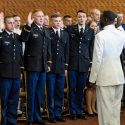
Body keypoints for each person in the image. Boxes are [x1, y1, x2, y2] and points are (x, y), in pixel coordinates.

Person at [89, 10, 125, 125]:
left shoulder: (100, 36)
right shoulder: (122, 34)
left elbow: (97, 59)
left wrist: (92, 79)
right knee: (115, 109)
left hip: (105, 77)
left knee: (105, 110)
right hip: (119, 76)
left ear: (104, 20)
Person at [22, 10, 51, 125]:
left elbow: (48, 49)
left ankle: (37, 117)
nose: (41, 18)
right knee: (31, 92)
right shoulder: (29, 28)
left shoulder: (45, 29)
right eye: (38, 16)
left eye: (42, 16)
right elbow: (23, 39)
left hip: (43, 66)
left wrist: (48, 63)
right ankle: (30, 118)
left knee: (39, 93)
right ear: (33, 18)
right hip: (32, 65)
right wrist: (28, 25)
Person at [67, 10, 95, 120]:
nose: (81, 19)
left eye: (83, 17)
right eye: (79, 17)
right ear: (77, 18)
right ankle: (73, 111)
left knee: (81, 89)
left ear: (86, 18)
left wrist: (91, 63)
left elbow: (91, 48)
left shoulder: (90, 31)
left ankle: (79, 110)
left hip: (84, 63)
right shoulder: (70, 29)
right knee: (72, 89)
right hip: (73, 63)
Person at [0, 16, 25, 125]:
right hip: (4, 73)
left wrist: (20, 71)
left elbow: (20, 56)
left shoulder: (17, 37)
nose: (12, 24)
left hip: (15, 73)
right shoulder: (1, 37)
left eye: (13, 23)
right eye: (9, 23)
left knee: (14, 100)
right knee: (4, 100)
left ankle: (12, 121)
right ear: (5, 24)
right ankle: (3, 121)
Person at [46, 12, 69, 123]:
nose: (58, 23)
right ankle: (51, 115)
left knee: (60, 92)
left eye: (59, 21)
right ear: (51, 22)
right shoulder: (48, 32)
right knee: (51, 92)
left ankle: (58, 113)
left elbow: (67, 51)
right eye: (55, 21)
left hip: (61, 67)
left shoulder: (65, 34)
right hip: (51, 68)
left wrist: (65, 67)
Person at [85, 20, 98, 117]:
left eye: (96, 26)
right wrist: (90, 64)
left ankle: (93, 107)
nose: (94, 28)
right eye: (92, 26)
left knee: (95, 87)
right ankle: (88, 107)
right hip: (90, 64)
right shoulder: (88, 37)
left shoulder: (98, 36)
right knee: (90, 86)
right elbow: (89, 51)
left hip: (98, 65)